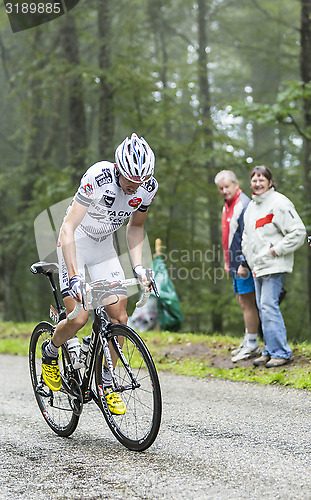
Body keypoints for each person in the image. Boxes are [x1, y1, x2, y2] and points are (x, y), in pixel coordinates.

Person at [41, 133, 158, 413]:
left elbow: (136, 228)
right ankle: (50, 351)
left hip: (103, 247)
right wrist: (74, 276)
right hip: (75, 244)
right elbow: (68, 227)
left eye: (139, 182)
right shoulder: (99, 176)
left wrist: (139, 266)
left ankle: (107, 382)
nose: (134, 187)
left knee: (120, 317)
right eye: (130, 180)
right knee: (79, 316)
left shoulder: (147, 187)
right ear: (118, 169)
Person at [238, 165, 306, 367]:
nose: (257, 184)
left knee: (268, 306)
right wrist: (247, 261)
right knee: (262, 307)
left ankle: (281, 352)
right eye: (254, 180)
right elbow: (247, 236)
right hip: (258, 266)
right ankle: (269, 350)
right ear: (250, 182)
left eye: (261, 180)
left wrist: (275, 250)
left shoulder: (279, 203)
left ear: (269, 182)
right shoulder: (252, 207)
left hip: (274, 264)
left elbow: (298, 232)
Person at [215, 170, 260, 362]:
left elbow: (248, 236)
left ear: (236, 184)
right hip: (233, 263)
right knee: (242, 301)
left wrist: (243, 263)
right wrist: (229, 262)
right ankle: (248, 338)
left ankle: (252, 344)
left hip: (244, 264)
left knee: (248, 302)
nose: (224, 191)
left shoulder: (244, 204)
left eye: (227, 187)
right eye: (221, 188)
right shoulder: (228, 205)